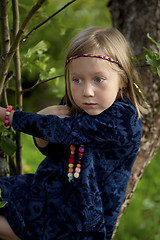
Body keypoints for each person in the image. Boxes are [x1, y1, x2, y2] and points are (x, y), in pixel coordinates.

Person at [0, 27, 148, 240]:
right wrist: (44, 119)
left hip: (78, 220)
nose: (87, 91)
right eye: (77, 80)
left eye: (98, 79)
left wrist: (7, 115)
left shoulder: (123, 117)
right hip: (46, 191)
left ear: (122, 79)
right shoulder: (76, 105)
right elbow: (51, 149)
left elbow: (61, 130)